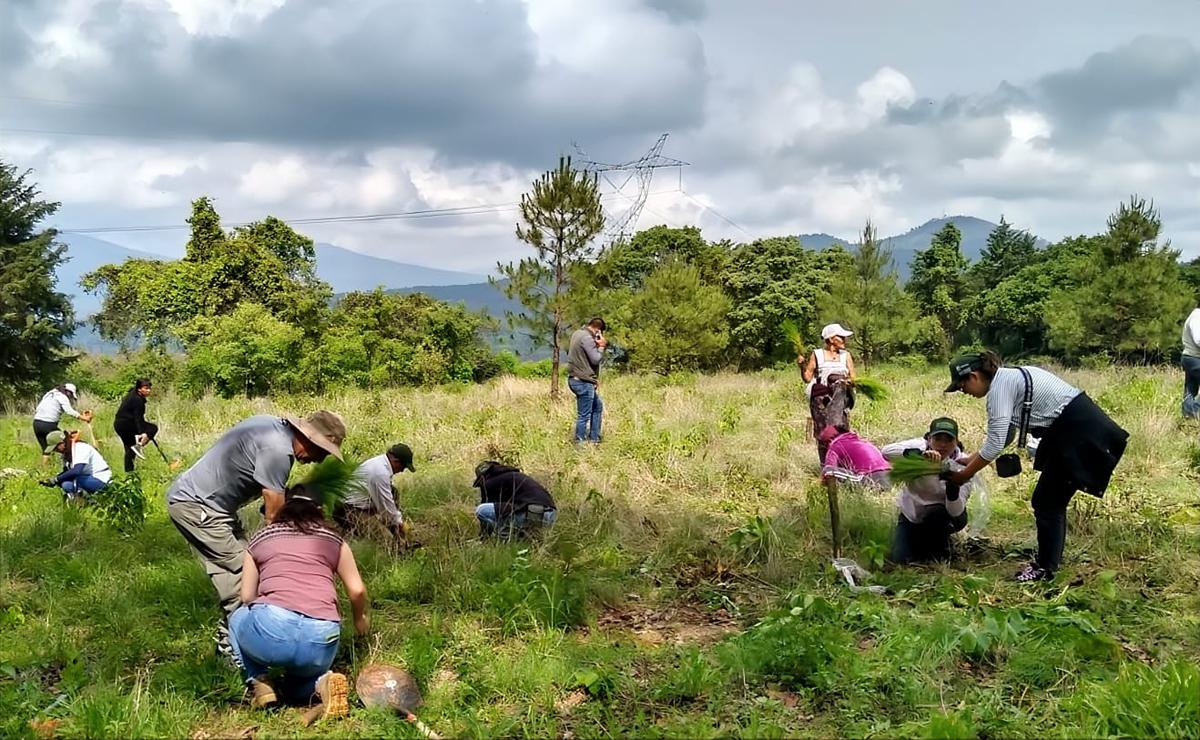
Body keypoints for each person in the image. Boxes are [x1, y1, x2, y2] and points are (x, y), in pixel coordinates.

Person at [165, 411, 346, 664]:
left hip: (212, 507)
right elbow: (273, 518)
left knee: (238, 573)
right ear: (310, 439)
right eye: (323, 452)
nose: (319, 460)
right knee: (246, 576)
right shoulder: (278, 451)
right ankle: (238, 653)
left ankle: (229, 645)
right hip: (198, 507)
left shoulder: (270, 426)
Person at [943, 351, 1128, 582]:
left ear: (974, 376)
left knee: (1047, 503)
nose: (965, 393)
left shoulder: (1000, 389)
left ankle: (1045, 569)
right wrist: (971, 458)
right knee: (1049, 501)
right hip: (1074, 431)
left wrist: (963, 476)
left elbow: (996, 443)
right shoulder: (1008, 379)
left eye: (962, 387)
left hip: (1081, 435)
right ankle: (1048, 562)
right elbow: (1008, 432)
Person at [229, 480, 368, 718]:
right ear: (320, 510)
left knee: (237, 617)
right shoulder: (334, 540)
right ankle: (321, 683)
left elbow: (247, 596)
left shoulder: (262, 536)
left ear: (285, 507)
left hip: (271, 629)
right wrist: (359, 620)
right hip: (322, 637)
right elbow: (356, 591)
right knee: (296, 688)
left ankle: (259, 681)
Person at [881, 418, 976, 563]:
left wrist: (952, 490)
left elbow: (956, 512)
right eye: (938, 439)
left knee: (933, 558)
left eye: (948, 440)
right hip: (911, 514)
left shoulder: (961, 465)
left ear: (956, 441)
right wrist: (920, 455)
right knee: (900, 559)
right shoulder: (920, 447)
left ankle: (942, 545)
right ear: (929, 438)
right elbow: (886, 452)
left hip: (941, 516)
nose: (943, 445)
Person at [335, 443, 416, 545]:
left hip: (360, 505)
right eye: (403, 467)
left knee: (393, 491)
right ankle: (397, 547)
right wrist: (400, 523)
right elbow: (387, 507)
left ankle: (395, 534)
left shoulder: (380, 462)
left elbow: (388, 499)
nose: (402, 470)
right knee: (387, 540)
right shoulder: (380, 473)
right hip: (348, 510)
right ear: (396, 462)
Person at [802, 324, 857, 463]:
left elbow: (853, 377)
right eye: (841, 337)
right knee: (823, 433)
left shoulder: (846, 356)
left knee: (841, 430)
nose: (845, 339)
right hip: (821, 401)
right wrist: (801, 365)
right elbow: (807, 377)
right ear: (831, 339)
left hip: (840, 399)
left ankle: (842, 465)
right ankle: (826, 466)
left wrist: (848, 382)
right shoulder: (817, 355)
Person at [473, 461, 556, 539]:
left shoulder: (489, 483)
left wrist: (484, 537)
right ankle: (520, 536)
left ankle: (503, 537)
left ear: (482, 478)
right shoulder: (514, 476)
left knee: (481, 510)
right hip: (551, 515)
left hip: (531, 513)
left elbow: (487, 517)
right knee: (505, 511)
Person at [38, 429, 112, 501]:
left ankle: (93, 499)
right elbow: (67, 472)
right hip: (87, 478)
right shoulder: (67, 454)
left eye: (55, 448)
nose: (56, 451)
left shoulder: (80, 448)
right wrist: (52, 480)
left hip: (101, 478)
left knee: (72, 480)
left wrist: (56, 479)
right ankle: (87, 499)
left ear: (62, 443)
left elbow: (76, 471)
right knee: (66, 485)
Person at [567, 317, 608, 444]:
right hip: (583, 382)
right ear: (598, 330)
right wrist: (601, 346)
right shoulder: (587, 338)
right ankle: (580, 444)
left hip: (576, 378)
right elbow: (595, 359)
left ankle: (594, 439)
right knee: (583, 415)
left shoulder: (577, 334)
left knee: (597, 406)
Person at [33, 383, 92, 465]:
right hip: (48, 424)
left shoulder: (49, 393)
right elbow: (69, 411)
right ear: (68, 392)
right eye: (70, 395)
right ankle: (70, 465)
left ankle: (44, 470)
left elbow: (38, 408)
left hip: (36, 423)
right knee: (65, 443)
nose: (70, 397)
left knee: (46, 448)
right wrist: (84, 418)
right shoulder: (62, 397)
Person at [819, 425, 891, 489]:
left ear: (829, 441)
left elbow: (829, 469)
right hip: (890, 475)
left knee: (828, 470)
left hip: (872, 478)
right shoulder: (862, 441)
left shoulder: (836, 445)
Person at [113, 378, 158, 473]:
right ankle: (139, 444)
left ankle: (129, 474)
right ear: (139, 389)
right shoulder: (138, 400)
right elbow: (138, 418)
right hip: (126, 425)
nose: (148, 390)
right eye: (146, 388)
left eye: (149, 388)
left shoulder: (133, 394)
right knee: (153, 428)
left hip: (119, 424)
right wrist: (143, 433)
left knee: (130, 449)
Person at [1182, 305, 1200, 417]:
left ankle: (1188, 417)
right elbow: (1199, 339)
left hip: (1191, 358)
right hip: (1195, 358)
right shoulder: (1197, 317)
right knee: (1190, 388)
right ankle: (1195, 412)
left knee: (1190, 389)